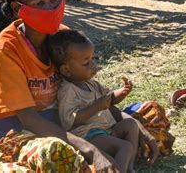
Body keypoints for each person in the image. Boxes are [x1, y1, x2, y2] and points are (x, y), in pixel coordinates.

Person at [0, 0, 156, 171]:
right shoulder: (5, 51)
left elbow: (89, 92)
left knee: (150, 118)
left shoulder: (62, 37)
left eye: (54, 0)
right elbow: (29, 119)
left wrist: (136, 125)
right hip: (22, 132)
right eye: (39, 3)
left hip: (68, 123)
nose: (50, 9)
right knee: (55, 153)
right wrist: (91, 150)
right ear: (19, 8)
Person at [47, 29, 140, 173]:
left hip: (107, 130)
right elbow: (69, 121)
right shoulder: (68, 90)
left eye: (93, 59)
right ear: (66, 70)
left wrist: (122, 93)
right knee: (125, 146)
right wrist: (96, 107)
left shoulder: (91, 83)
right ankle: (121, 168)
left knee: (131, 124)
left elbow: (109, 99)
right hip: (89, 135)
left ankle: (128, 166)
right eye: (85, 63)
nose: (92, 64)